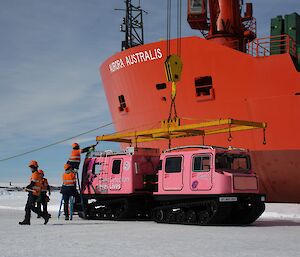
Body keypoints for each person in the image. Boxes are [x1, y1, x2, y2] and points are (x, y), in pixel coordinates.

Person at [19, 160, 51, 225]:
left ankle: (44, 215)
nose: (30, 168)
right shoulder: (36, 174)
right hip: (33, 192)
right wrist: (28, 188)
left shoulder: (35, 174)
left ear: (34, 167)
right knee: (28, 207)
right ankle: (27, 220)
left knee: (31, 207)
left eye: (31, 167)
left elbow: (32, 184)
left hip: (34, 193)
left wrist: (27, 187)